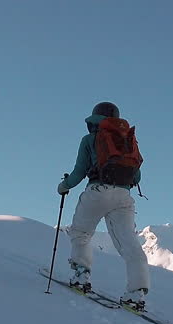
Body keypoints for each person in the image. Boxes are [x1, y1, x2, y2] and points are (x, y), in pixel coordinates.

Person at [55, 101, 150, 311]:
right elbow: (138, 175)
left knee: (81, 233)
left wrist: (64, 186)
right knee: (129, 243)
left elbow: (79, 172)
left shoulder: (89, 139)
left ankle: (81, 276)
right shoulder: (127, 140)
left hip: (97, 191)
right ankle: (136, 293)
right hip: (124, 196)